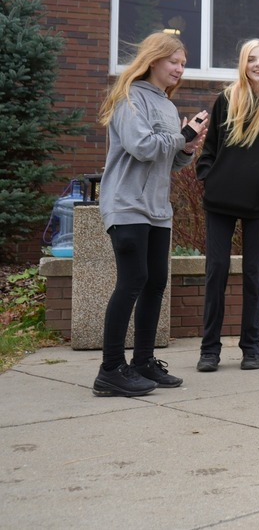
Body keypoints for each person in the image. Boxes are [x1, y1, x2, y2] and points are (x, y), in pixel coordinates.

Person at [92, 32, 208, 397]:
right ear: (154, 59)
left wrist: (187, 147)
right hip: (127, 204)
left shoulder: (168, 106)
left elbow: (169, 159)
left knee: (156, 281)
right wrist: (182, 135)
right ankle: (110, 369)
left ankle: (143, 361)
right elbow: (142, 146)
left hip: (158, 210)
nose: (179, 68)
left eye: (183, 64)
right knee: (132, 280)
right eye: (174, 61)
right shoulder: (130, 97)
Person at [196, 39, 259, 371]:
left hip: (257, 204)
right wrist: (208, 175)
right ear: (243, 63)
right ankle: (209, 349)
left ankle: (251, 347)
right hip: (219, 200)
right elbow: (209, 147)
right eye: (252, 59)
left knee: (253, 275)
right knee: (216, 272)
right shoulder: (227, 99)